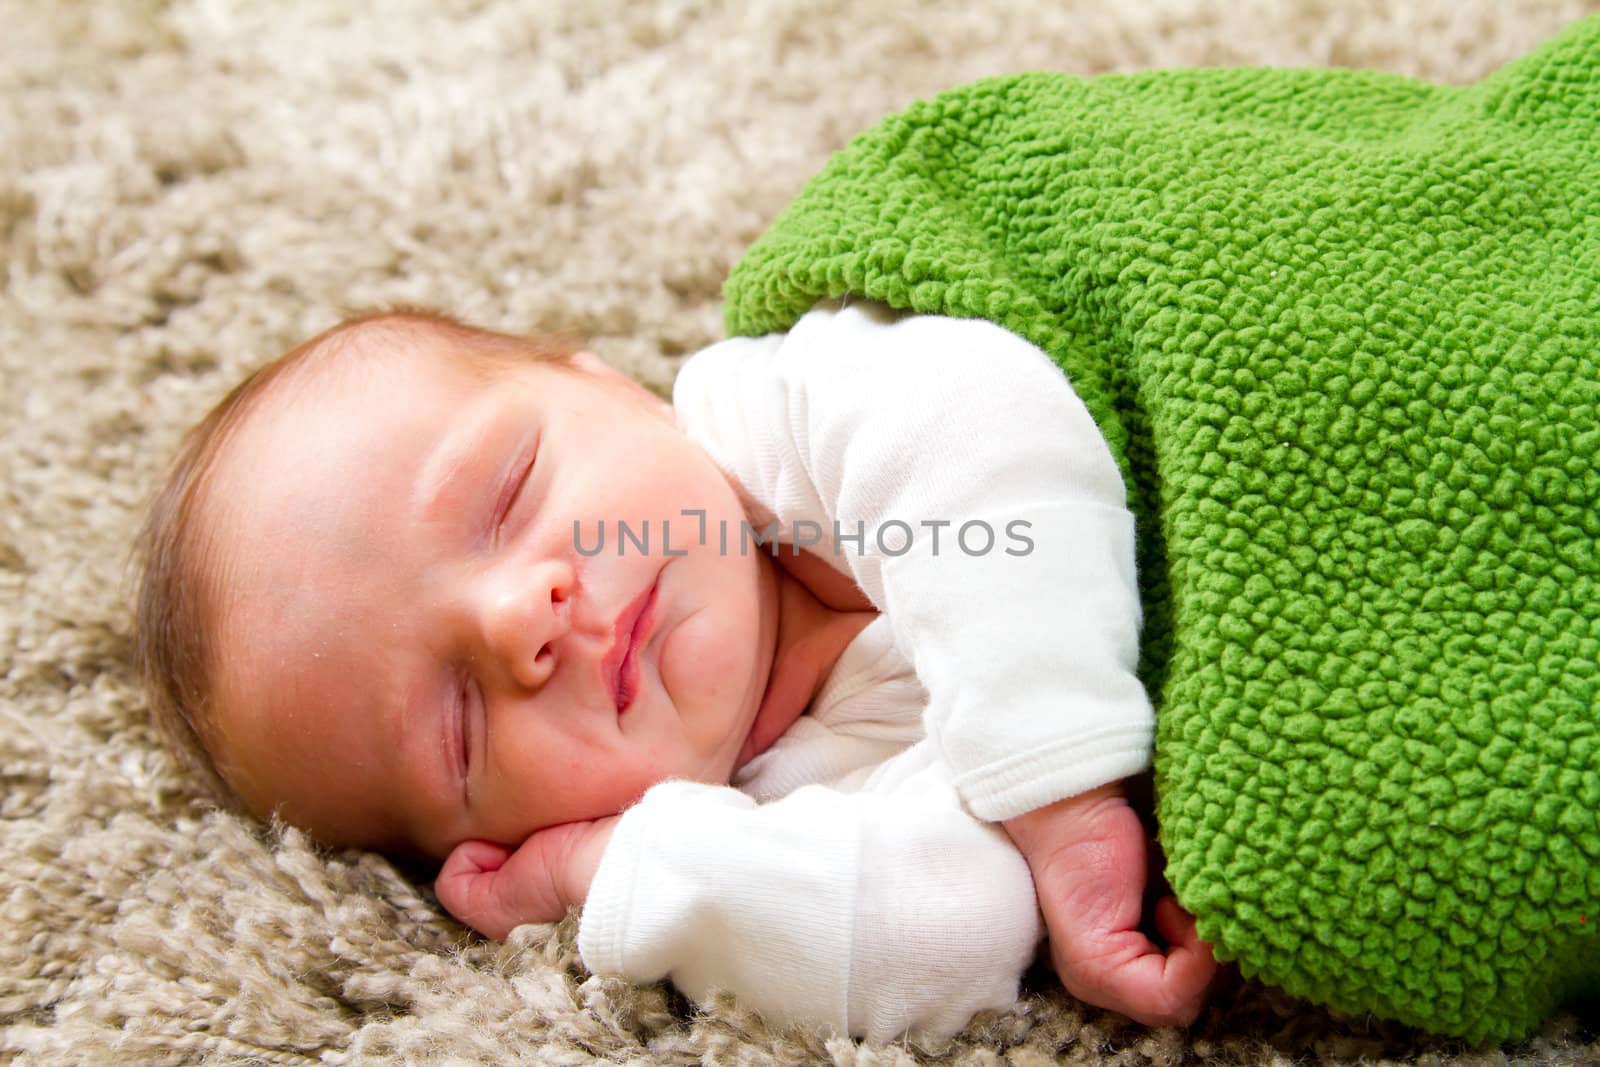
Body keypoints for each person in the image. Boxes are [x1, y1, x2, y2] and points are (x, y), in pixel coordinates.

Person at [135, 298, 1218, 1043]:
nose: (523, 621)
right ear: (493, 843)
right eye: (458, 721)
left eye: (504, 493)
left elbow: (983, 424)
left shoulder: (778, 411)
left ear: (607, 386)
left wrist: (1060, 787)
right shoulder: (783, 813)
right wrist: (615, 870)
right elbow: (943, 935)